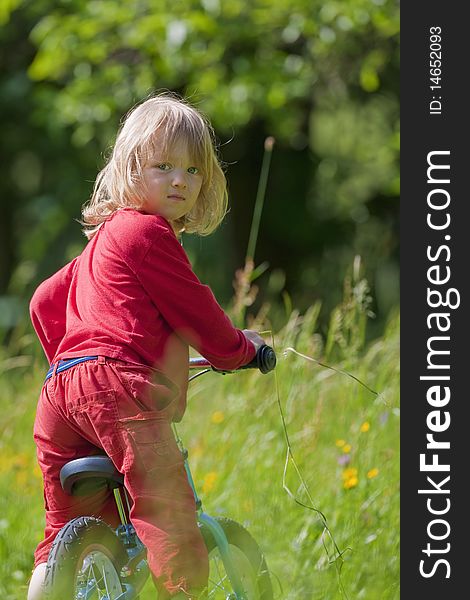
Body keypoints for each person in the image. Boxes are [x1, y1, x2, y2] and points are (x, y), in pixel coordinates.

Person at [27, 93, 265, 600]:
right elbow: (197, 311)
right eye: (162, 166)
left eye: (192, 170)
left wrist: (70, 364)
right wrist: (242, 349)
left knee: (68, 530)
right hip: (115, 386)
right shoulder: (146, 232)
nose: (179, 180)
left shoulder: (102, 241)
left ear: (204, 182)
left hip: (60, 393)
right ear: (131, 169)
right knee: (168, 511)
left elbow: (44, 299)